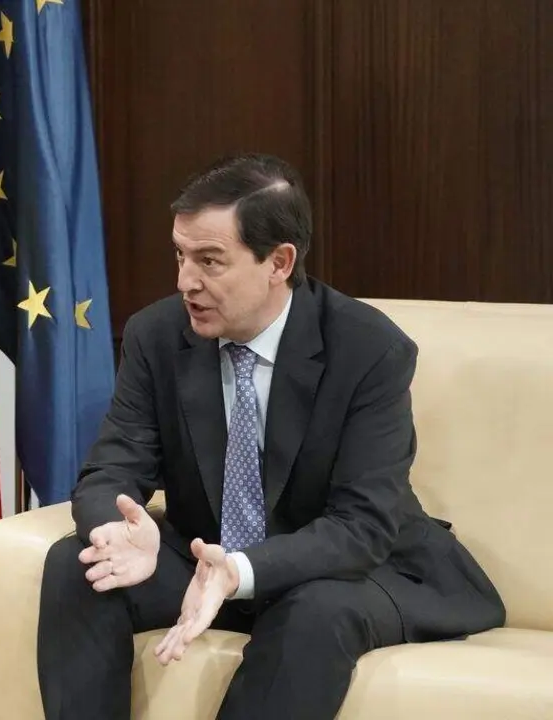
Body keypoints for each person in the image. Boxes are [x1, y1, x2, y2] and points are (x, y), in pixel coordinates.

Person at [36, 154, 505, 719]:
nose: (186, 281)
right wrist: (118, 530)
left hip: (347, 570)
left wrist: (243, 571)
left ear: (279, 261)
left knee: (315, 609)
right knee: (79, 565)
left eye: (210, 261)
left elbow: (362, 525)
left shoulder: (368, 350)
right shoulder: (156, 336)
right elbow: (112, 467)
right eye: (181, 255)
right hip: (207, 557)